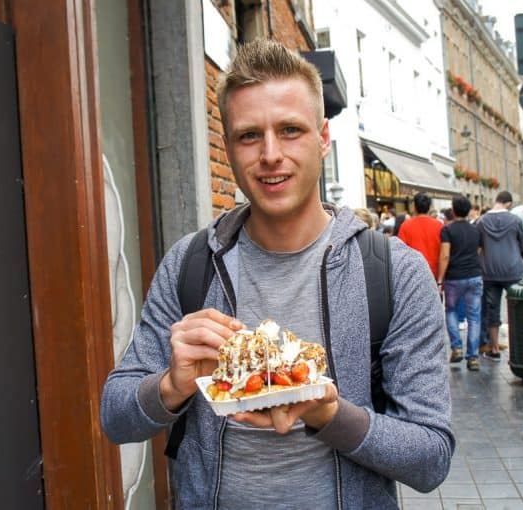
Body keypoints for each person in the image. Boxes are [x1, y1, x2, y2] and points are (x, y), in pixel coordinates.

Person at [99, 40, 454, 508]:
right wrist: (171, 385)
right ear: (226, 147)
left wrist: (328, 413)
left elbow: (431, 458)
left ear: (323, 138)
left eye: (290, 130)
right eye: (249, 135)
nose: (270, 154)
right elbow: (114, 417)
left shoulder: (394, 273)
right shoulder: (190, 264)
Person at [477, 191, 523, 361]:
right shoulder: (515, 220)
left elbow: (479, 245)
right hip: (513, 270)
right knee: (517, 309)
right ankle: (519, 348)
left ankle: (495, 348)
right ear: (509, 203)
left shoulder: (481, 222)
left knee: (492, 310)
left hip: (489, 271)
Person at [438, 196, 483, 371]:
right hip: (474, 274)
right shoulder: (476, 230)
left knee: (451, 311)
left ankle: (456, 347)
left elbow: (445, 255)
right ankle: (473, 358)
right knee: (474, 317)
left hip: (454, 276)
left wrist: (440, 279)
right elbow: (479, 250)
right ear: (469, 210)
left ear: (454, 210)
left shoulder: (447, 230)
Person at [398, 192, 443, 280]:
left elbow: (400, 252)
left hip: (413, 274)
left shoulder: (405, 226)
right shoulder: (439, 225)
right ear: (429, 207)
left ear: (414, 207)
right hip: (435, 273)